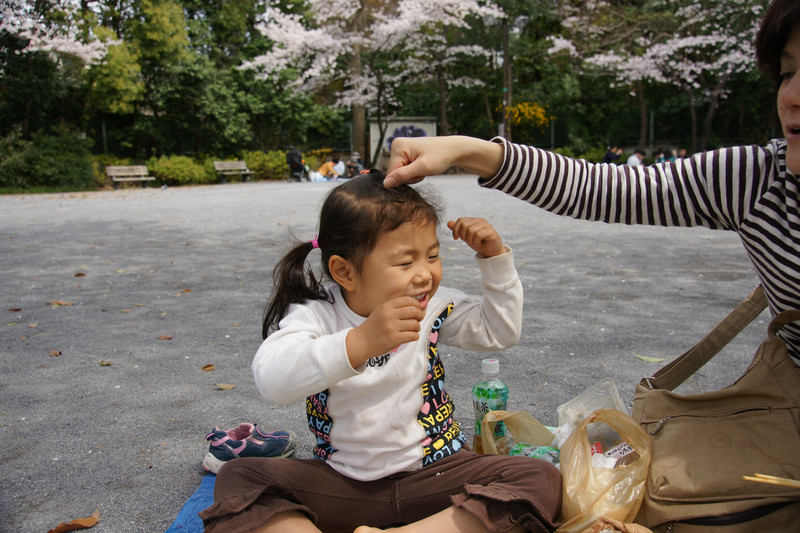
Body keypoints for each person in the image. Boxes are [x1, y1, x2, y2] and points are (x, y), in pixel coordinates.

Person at [383, 0, 800, 364]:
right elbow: (600, 189)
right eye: (787, 72)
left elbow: (498, 329)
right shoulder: (759, 181)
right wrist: (461, 149)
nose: (791, 95)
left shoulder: (439, 308)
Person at [200, 171, 562, 533]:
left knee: (540, 478)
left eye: (432, 256)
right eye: (406, 263)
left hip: (435, 475)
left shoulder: (433, 305)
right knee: (239, 477)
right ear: (345, 272)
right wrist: (359, 342)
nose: (424, 274)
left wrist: (495, 260)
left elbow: (498, 331)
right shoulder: (317, 315)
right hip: (343, 485)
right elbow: (272, 380)